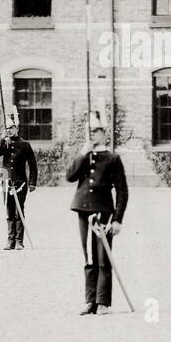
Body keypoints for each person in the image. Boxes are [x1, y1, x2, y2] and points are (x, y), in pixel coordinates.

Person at [67, 108, 128, 315]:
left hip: (104, 212)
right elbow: (70, 176)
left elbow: (122, 191)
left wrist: (118, 219)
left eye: (95, 131)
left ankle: (103, 302)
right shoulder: (85, 155)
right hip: (84, 210)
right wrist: (83, 152)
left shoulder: (112, 159)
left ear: (104, 133)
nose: (92, 134)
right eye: (89, 131)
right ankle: (90, 300)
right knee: (89, 258)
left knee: (103, 257)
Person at [0, 105, 36, 250]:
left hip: (20, 183)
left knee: (19, 211)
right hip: (6, 182)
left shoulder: (25, 145)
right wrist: (2, 139)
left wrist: (32, 183)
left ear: (17, 128)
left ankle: (19, 241)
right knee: (9, 211)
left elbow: (32, 165)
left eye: (11, 128)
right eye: (7, 128)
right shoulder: (5, 143)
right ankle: (10, 240)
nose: (9, 130)